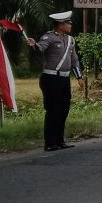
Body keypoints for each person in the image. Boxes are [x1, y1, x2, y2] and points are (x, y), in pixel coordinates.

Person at [26, 11, 83, 151]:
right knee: (53, 110)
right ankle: (49, 143)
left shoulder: (70, 40)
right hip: (51, 78)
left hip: (64, 79)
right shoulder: (49, 37)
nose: (70, 25)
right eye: (68, 23)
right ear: (60, 25)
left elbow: (74, 60)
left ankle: (60, 140)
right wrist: (34, 45)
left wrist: (79, 77)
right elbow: (40, 48)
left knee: (64, 110)